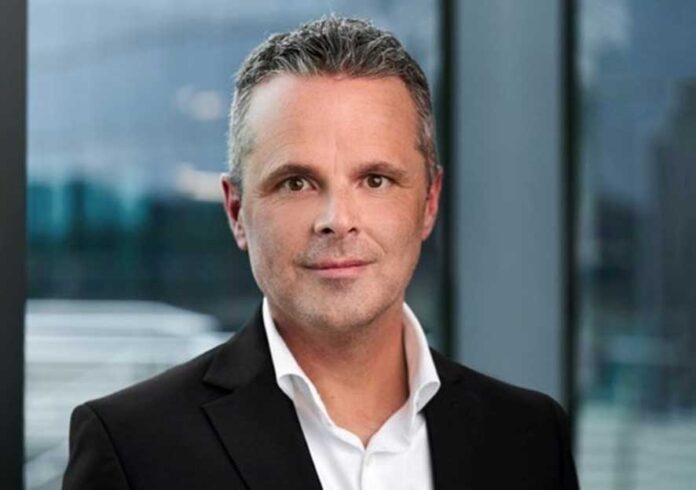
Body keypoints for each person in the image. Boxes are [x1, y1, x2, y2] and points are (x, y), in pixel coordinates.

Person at [63, 16, 579, 490]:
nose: (337, 218)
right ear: (237, 211)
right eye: (296, 183)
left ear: (428, 202)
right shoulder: (132, 448)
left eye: (375, 180)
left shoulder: (530, 438)